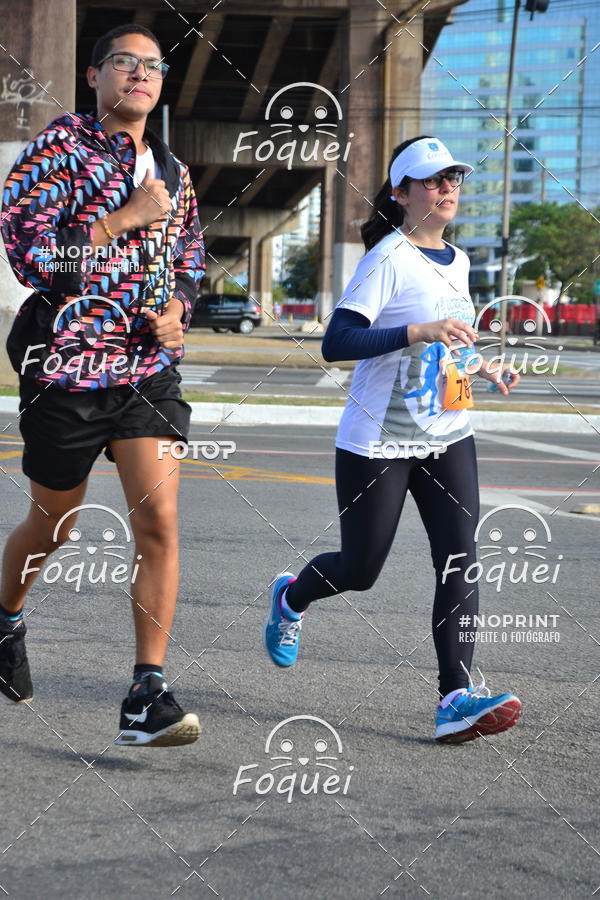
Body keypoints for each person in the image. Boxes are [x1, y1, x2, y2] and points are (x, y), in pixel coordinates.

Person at [264, 136, 523, 744]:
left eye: (453, 178)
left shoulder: (456, 261)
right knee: (361, 569)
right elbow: (337, 344)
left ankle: (454, 698)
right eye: (434, 181)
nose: (447, 189)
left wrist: (482, 366)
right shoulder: (387, 257)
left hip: (448, 431)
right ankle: (291, 596)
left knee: (460, 555)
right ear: (402, 194)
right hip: (378, 439)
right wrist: (416, 330)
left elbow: (448, 337)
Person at [0, 24, 205, 747]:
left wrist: (179, 309)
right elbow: (30, 253)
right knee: (56, 525)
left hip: (145, 369)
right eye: (125, 61)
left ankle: (146, 691)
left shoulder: (175, 172)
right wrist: (123, 219)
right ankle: (5, 618)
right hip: (67, 363)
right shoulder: (60, 149)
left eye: (153, 65)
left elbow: (190, 259)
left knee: (159, 523)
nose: (140, 74)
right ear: (95, 76)